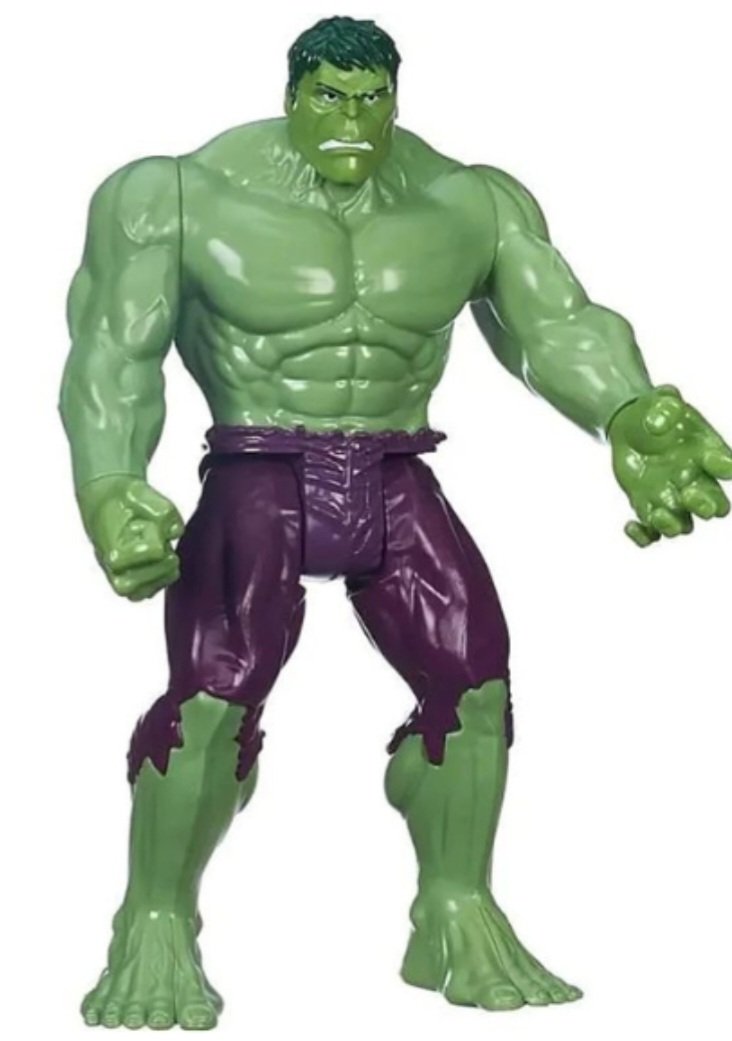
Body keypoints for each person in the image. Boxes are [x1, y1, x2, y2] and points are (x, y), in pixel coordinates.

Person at [60, 14, 732, 1029]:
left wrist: (631, 411)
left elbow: (556, 323)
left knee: (477, 684)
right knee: (213, 696)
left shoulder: (469, 201)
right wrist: (111, 484)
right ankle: (152, 920)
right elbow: (114, 349)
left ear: (396, 99)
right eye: (331, 97)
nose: (353, 119)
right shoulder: (180, 193)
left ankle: (454, 909)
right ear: (293, 96)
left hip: (396, 468)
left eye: (372, 100)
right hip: (257, 465)